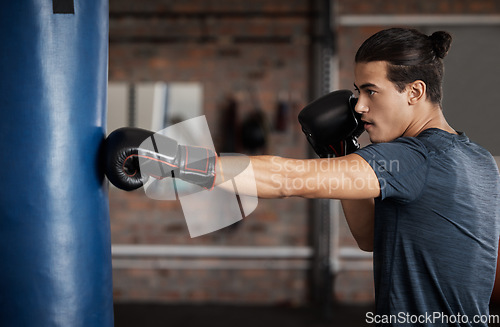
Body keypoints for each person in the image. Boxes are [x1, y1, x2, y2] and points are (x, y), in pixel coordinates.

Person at [104, 27, 500, 326]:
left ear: (414, 92)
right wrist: (344, 152)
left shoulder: (414, 159)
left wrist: (173, 158)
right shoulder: (477, 158)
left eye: (370, 91)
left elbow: (286, 179)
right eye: (356, 91)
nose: (359, 106)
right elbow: (368, 238)